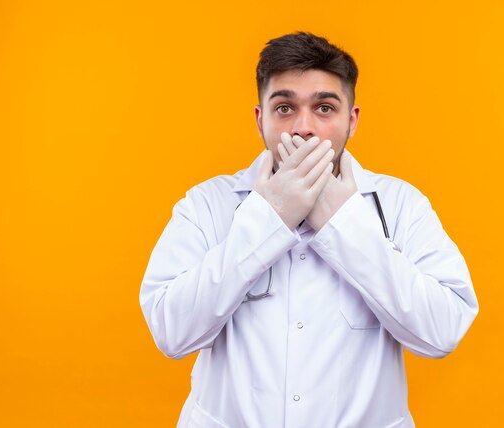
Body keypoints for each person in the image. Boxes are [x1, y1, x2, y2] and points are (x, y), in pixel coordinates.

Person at [140, 32, 479, 428]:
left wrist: (342, 224)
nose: (304, 127)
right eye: (284, 107)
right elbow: (170, 330)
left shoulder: (401, 205)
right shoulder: (207, 205)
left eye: (324, 107)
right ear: (259, 119)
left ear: (351, 120)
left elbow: (442, 331)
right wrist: (269, 219)